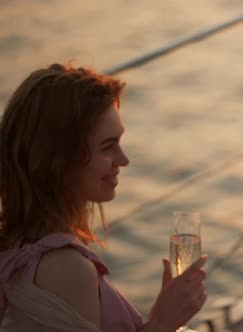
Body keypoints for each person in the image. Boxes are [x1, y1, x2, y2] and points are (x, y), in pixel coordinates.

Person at [0, 64, 207, 331]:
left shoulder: (16, 240)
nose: (124, 160)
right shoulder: (65, 269)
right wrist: (162, 323)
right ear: (61, 160)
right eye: (108, 146)